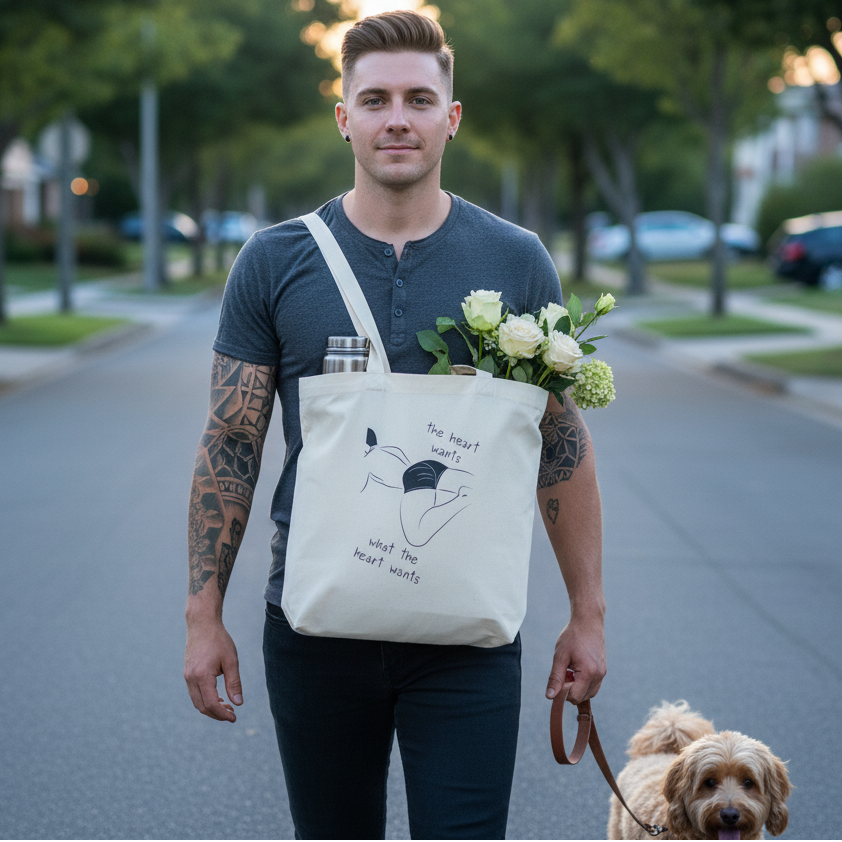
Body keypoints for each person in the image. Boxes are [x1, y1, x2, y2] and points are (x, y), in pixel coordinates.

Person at [184, 10, 606, 840]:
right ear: (344, 118)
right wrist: (205, 618)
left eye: (420, 98)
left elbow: (561, 446)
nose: (398, 119)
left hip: (468, 632)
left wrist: (587, 613)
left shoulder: (516, 259)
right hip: (315, 628)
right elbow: (231, 440)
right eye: (375, 100)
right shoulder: (274, 260)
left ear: (451, 116)